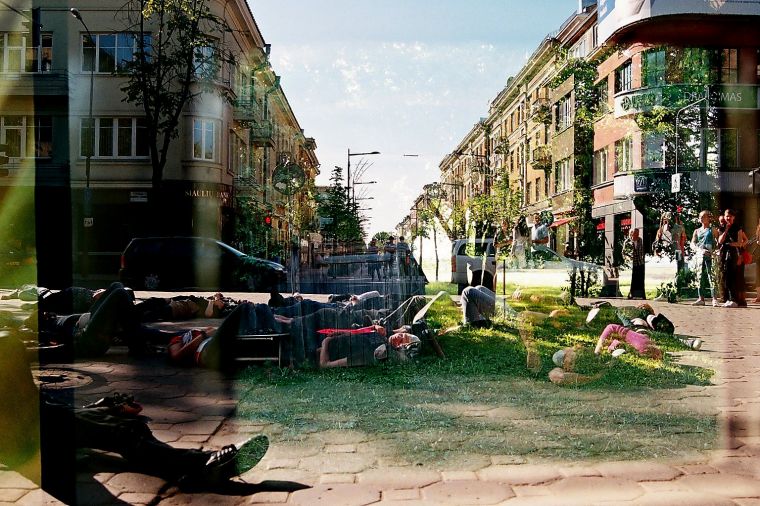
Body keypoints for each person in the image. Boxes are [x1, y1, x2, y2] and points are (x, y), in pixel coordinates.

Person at [0, 334, 269, 504]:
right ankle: (199, 466)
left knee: (122, 422)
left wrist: (98, 407)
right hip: (27, 433)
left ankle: (185, 464)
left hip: (39, 417)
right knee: (124, 431)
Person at [718, 208, 748, 308]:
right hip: (724, 253)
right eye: (727, 216)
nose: (728, 218)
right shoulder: (722, 227)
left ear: (733, 217)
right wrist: (726, 230)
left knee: (733, 276)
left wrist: (731, 244)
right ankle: (729, 299)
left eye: (730, 216)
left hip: (733, 253)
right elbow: (720, 241)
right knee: (726, 276)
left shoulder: (737, 227)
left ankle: (735, 299)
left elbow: (739, 242)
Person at [691, 210, 718, 307]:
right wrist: (699, 249)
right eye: (700, 217)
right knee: (699, 277)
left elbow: (718, 243)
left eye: (704, 216)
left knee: (712, 276)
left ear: (708, 218)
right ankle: (701, 298)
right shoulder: (697, 231)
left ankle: (714, 298)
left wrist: (715, 251)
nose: (701, 218)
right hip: (700, 256)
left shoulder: (713, 230)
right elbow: (692, 243)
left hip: (710, 256)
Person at [624, 228, 646, 300]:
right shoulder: (627, 242)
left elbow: (642, 250)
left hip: (640, 262)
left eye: (638, 233)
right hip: (632, 263)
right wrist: (628, 259)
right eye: (635, 233)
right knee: (633, 279)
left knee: (640, 279)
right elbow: (624, 253)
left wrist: (642, 258)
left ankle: (640, 295)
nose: (637, 235)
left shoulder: (640, 240)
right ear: (631, 234)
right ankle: (631, 294)